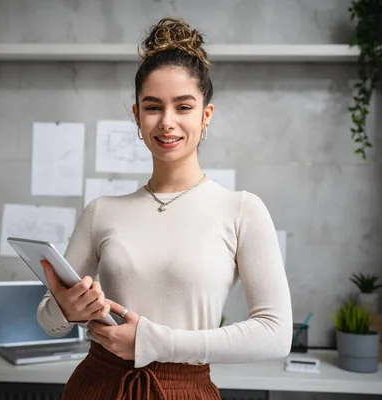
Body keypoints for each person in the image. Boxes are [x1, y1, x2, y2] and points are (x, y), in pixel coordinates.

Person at [37, 16, 292, 400]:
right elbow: (47, 321)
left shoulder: (242, 210)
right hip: (97, 385)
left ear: (206, 116)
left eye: (183, 107)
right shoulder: (100, 212)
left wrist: (156, 342)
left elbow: (275, 335)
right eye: (153, 107)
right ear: (137, 117)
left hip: (185, 389)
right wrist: (67, 308)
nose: (167, 122)